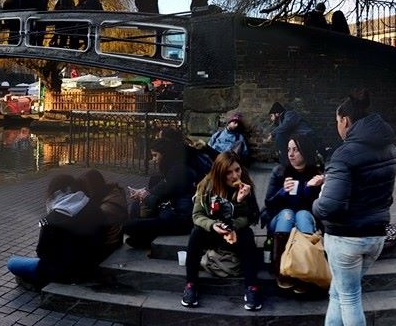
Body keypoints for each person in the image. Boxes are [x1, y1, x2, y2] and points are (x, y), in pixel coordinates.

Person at [294, 89, 396, 326]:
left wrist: (315, 202)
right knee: (341, 292)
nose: (337, 126)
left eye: (337, 121)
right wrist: (333, 179)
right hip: (376, 234)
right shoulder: (388, 148)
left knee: (348, 296)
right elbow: (374, 187)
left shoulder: (344, 154)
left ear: (346, 120)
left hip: (347, 237)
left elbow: (330, 206)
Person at [7, 171, 128, 286]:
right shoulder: (94, 208)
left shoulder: (50, 219)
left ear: (53, 194)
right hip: (90, 265)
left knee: (12, 262)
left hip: (63, 272)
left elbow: (41, 252)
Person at [180, 151, 264, 311]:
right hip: (213, 231)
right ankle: (191, 284)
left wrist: (239, 205)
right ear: (220, 173)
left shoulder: (245, 185)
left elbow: (250, 217)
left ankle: (252, 287)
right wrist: (213, 225)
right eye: (229, 172)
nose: (235, 176)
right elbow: (197, 215)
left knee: (248, 235)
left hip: (234, 232)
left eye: (237, 170)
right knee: (196, 233)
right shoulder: (207, 185)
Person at [123, 130, 209, 248]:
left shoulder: (178, 171)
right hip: (172, 213)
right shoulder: (174, 168)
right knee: (136, 208)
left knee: (128, 225)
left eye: (155, 155)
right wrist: (145, 194)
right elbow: (160, 191)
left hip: (180, 219)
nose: (153, 159)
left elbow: (159, 198)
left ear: (165, 155)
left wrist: (145, 196)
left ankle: (145, 239)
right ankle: (143, 238)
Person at [264, 133, 325, 279]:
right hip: (279, 219)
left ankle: (304, 271)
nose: (290, 154)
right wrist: (282, 192)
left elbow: (316, 209)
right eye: (289, 149)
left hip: (305, 220)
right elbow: (268, 204)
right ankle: (282, 269)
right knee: (287, 214)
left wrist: (310, 187)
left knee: (302, 215)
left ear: (305, 151)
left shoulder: (316, 175)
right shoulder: (280, 172)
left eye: (295, 150)